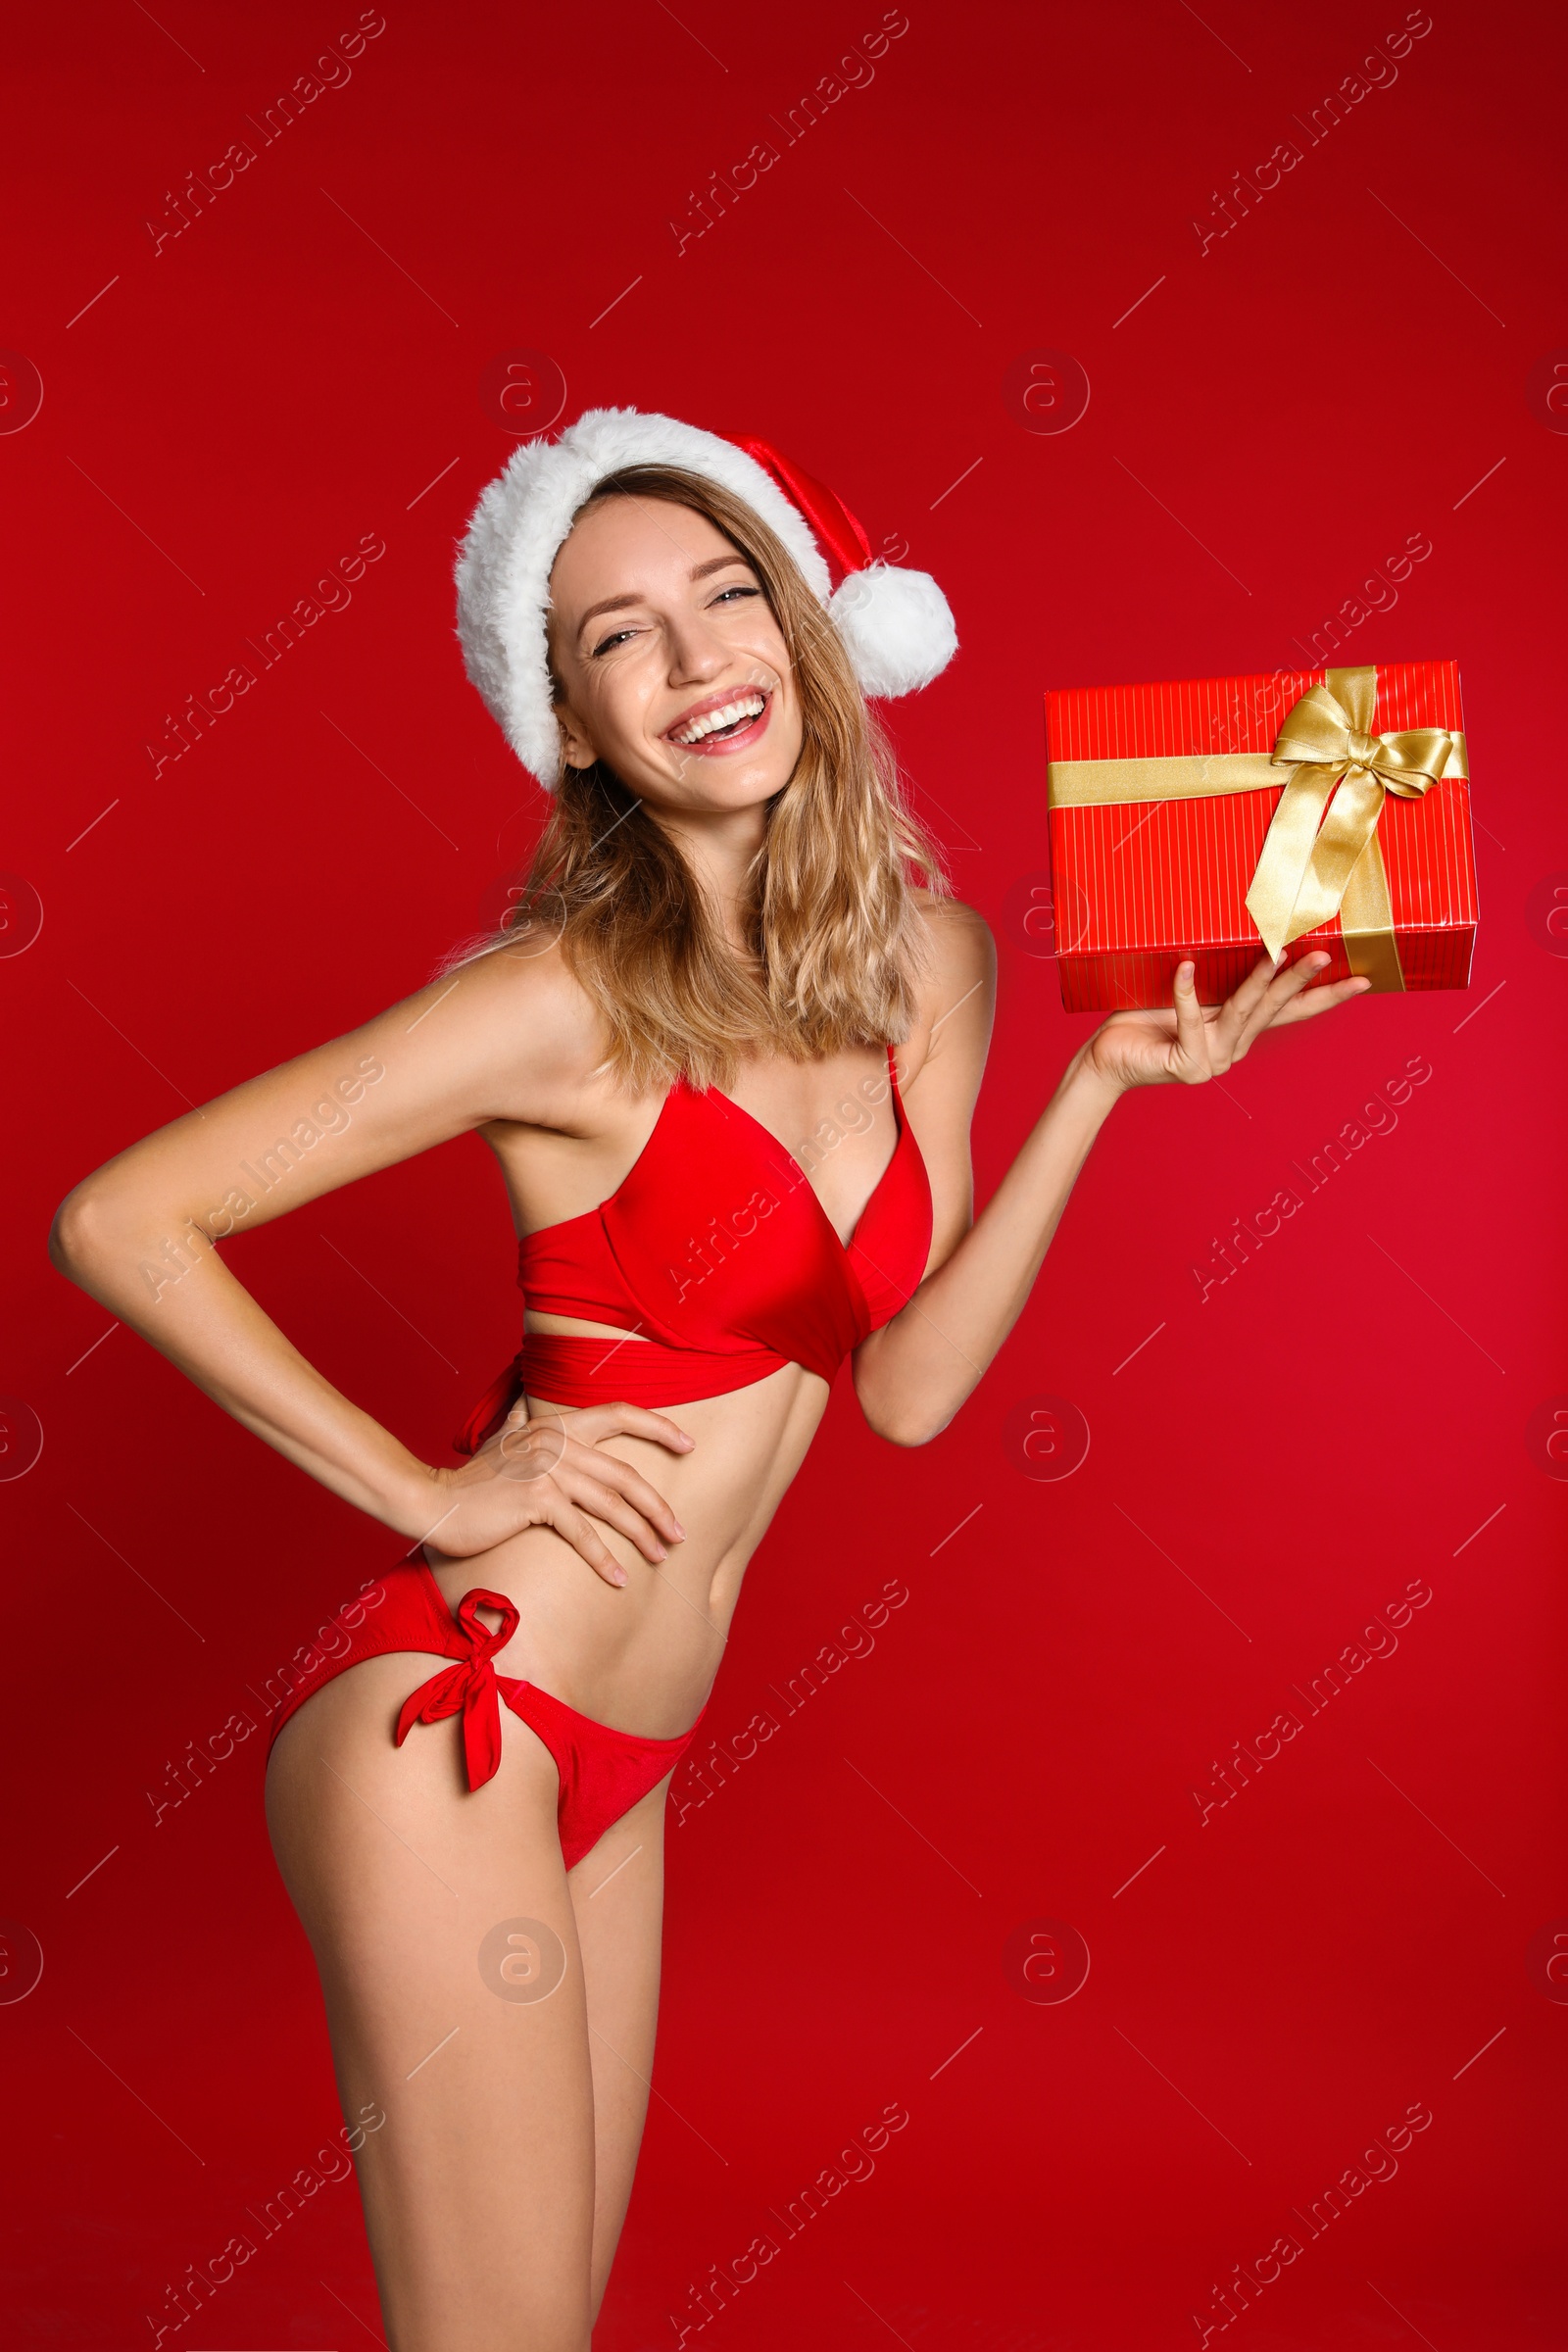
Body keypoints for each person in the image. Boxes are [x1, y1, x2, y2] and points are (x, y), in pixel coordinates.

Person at [49, 408, 1370, 2351]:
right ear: (570, 722)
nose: (691, 664)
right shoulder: (557, 997)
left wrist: (1097, 1092)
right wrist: (423, 1498)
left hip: (630, 1766)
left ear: (813, 634)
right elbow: (120, 1216)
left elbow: (904, 1393)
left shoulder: (932, 964)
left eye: (724, 597)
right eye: (615, 638)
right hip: (459, 1735)